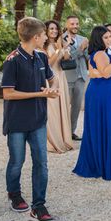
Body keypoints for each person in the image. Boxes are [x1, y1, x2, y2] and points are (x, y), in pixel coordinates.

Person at [1, 17, 59, 221]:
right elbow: (8, 94)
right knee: (17, 162)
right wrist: (39, 94)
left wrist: (52, 87)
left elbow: (53, 79)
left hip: (38, 121)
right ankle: (14, 194)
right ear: (35, 37)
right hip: (16, 122)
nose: (46, 37)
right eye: (44, 34)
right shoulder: (12, 60)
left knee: (41, 163)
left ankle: (38, 206)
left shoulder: (42, 58)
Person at [73, 26, 111, 180]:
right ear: (98, 39)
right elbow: (107, 73)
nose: (109, 39)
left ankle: (101, 161)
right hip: (105, 94)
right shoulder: (100, 54)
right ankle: (109, 164)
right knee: (109, 125)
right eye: (106, 37)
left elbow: (97, 72)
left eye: (110, 37)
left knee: (103, 126)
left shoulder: (99, 53)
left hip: (102, 91)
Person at [43, 20, 74, 153]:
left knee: (64, 108)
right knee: (53, 110)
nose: (54, 31)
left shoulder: (58, 44)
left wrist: (65, 47)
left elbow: (66, 59)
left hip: (61, 77)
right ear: (45, 30)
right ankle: (53, 141)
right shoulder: (42, 46)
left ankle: (64, 139)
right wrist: (58, 50)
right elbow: (48, 64)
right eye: (51, 29)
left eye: (56, 29)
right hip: (50, 79)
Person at [62, 15, 89, 141]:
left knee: (76, 106)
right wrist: (81, 49)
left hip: (81, 76)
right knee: (65, 106)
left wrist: (85, 49)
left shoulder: (83, 39)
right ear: (67, 24)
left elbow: (88, 57)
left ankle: (71, 131)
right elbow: (66, 58)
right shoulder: (61, 39)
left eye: (77, 23)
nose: (75, 26)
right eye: (72, 24)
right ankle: (63, 132)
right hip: (67, 77)